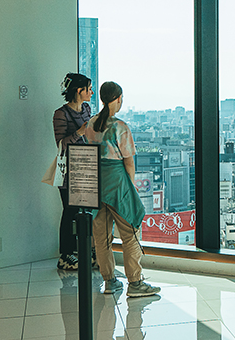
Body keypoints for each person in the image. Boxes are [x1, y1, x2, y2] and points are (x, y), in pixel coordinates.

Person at [88, 81, 161, 298]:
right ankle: (135, 282)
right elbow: (129, 162)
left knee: (101, 237)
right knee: (130, 233)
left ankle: (109, 280)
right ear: (118, 98)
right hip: (118, 183)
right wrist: (131, 188)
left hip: (96, 184)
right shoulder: (120, 127)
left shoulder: (91, 124)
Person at [52, 73, 93, 271]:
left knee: (85, 210)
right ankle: (65, 255)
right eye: (88, 89)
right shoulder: (61, 114)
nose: (91, 92)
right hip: (68, 170)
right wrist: (79, 132)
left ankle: (83, 251)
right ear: (79, 91)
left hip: (86, 166)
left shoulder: (86, 109)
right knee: (69, 211)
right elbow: (61, 145)